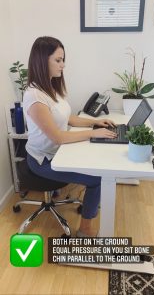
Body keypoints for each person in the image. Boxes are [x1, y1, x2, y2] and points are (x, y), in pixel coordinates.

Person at [23, 36, 117, 237]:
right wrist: (93, 133)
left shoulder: (51, 88)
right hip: (43, 160)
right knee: (97, 179)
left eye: (63, 59)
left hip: (59, 152)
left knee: (96, 162)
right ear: (41, 60)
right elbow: (58, 137)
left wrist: (95, 122)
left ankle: (89, 204)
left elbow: (69, 118)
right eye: (58, 60)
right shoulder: (34, 96)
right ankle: (85, 229)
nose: (63, 65)